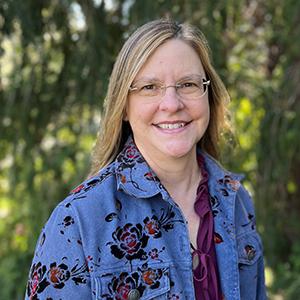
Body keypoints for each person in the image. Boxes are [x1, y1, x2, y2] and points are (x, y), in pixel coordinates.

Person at [25, 19, 266, 300]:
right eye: (150, 87)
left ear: (207, 96)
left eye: (188, 84)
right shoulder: (78, 221)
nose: (172, 104)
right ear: (124, 107)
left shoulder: (235, 200)